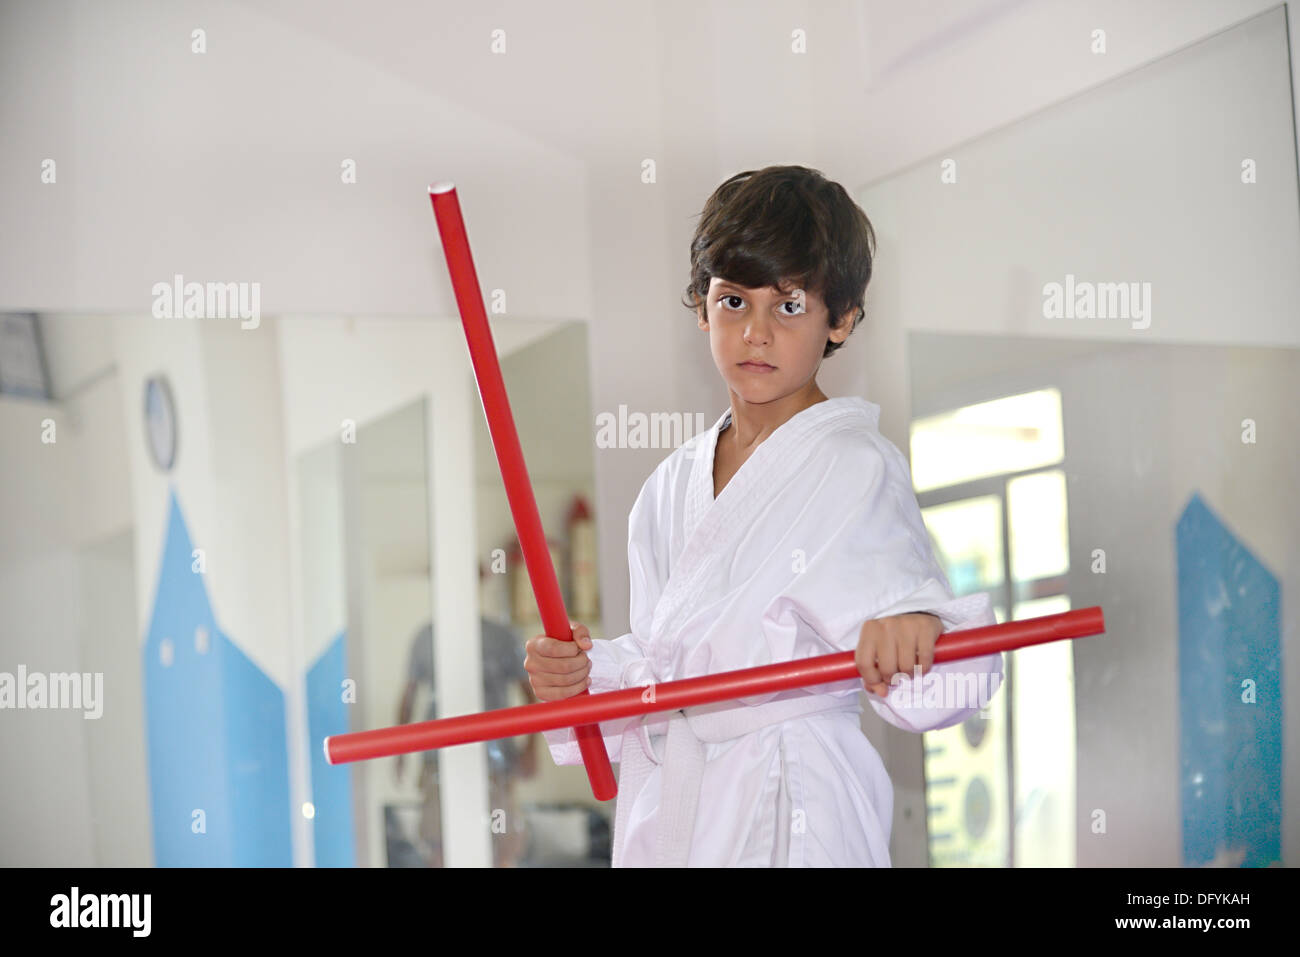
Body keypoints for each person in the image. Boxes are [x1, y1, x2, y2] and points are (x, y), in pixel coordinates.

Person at [528, 165, 1005, 867]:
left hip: (795, 799)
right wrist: (584, 675)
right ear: (700, 307)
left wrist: (918, 633)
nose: (755, 332)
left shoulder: (853, 466)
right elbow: (663, 660)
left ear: (840, 318)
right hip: (678, 804)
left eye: (788, 306)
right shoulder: (666, 487)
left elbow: (934, 660)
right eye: (732, 302)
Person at [396, 614, 539, 867]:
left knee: (503, 846)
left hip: (496, 761)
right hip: (438, 760)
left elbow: (529, 693)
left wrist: (530, 749)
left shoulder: (503, 636)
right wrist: (399, 754)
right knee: (437, 844)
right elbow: (409, 696)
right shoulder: (425, 637)